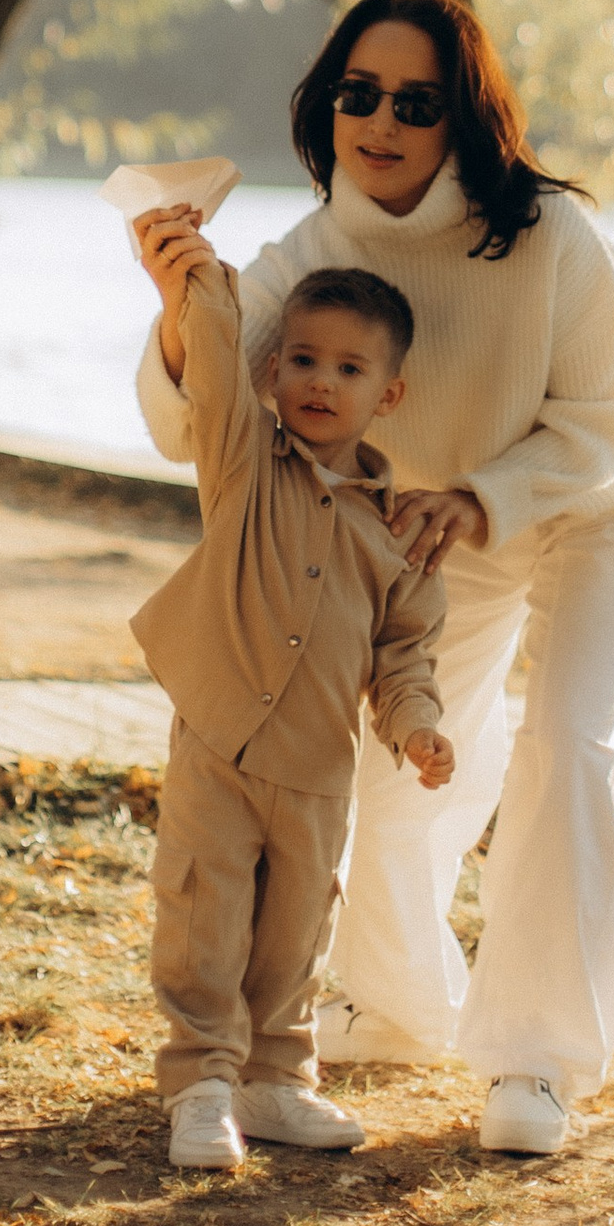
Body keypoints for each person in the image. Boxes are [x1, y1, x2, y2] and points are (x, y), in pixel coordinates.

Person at [136, 0, 614, 1161]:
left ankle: (535, 1058)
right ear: (327, 103)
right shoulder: (311, 254)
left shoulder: (548, 234)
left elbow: (605, 418)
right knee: (393, 782)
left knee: (565, 751)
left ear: (464, 119)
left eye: (416, 102)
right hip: (432, 537)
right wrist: (179, 305)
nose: (381, 120)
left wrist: (484, 495)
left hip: (597, 511)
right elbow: (207, 419)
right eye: (359, 93)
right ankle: (398, 1003)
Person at [129, 224, 455, 1172]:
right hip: (218, 745)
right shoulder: (241, 467)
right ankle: (202, 1084)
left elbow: (404, 660)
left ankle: (277, 1080)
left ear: (387, 395)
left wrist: (420, 727)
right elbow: (217, 369)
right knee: (206, 914)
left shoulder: (398, 535)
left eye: (349, 368)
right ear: (273, 373)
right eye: (303, 360)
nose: (320, 381)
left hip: (318, 769)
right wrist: (198, 276)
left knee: (295, 930)